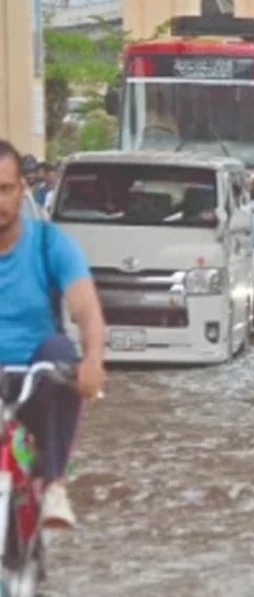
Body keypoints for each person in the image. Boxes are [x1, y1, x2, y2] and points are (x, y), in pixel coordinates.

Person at [0, 138, 106, 528]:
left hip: (36, 381)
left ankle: (56, 485)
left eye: (5, 189)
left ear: (22, 190)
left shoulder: (51, 245)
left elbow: (86, 310)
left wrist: (93, 360)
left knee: (61, 349)